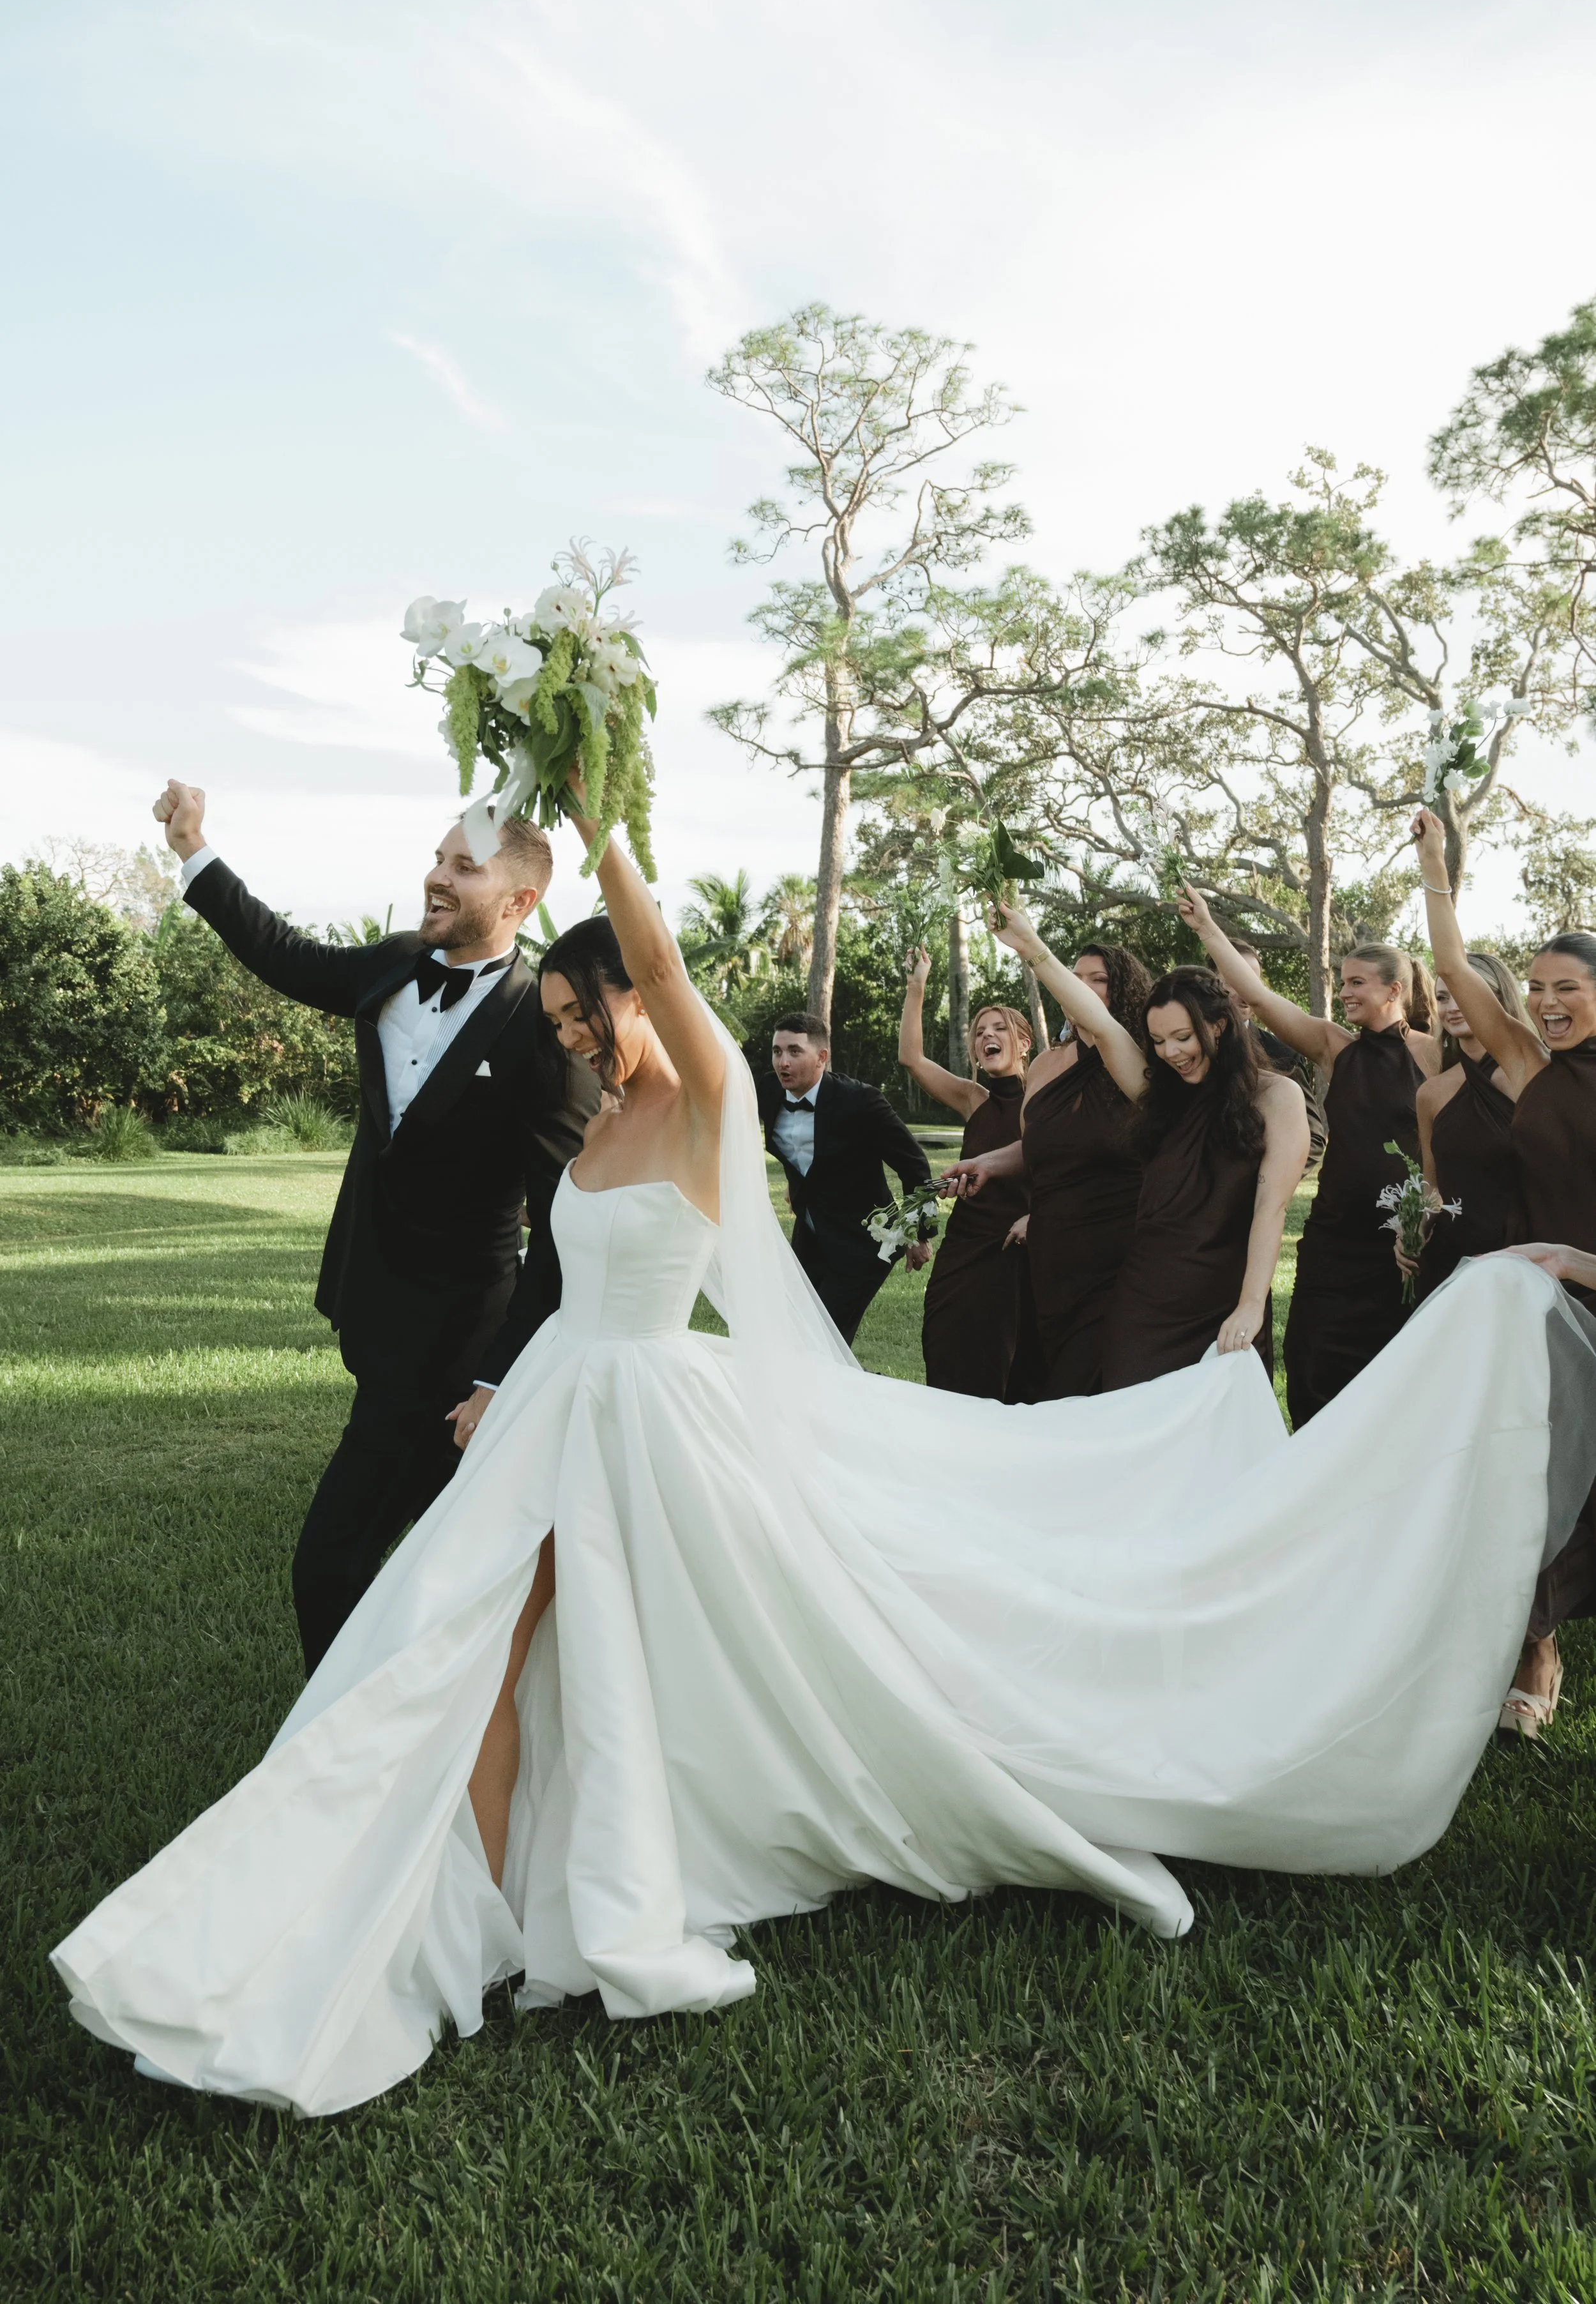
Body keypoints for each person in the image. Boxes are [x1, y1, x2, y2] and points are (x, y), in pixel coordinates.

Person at [52, 797, 1596, 2118]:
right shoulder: (594, 1124)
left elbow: (651, 958)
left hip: (650, 1416)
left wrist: (606, 819)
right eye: (577, 1021)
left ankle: (507, 1889)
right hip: (554, 1409)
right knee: (475, 1637)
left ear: (641, 995)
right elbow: (550, 1272)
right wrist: (488, 1378)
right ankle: (474, 1883)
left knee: (565, 1636)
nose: (582, 1034)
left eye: (597, 1011)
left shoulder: (707, 1096)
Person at [150, 778, 597, 1673]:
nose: (436, 876)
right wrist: (194, 849)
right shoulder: (394, 964)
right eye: (436, 858)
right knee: (445, 1568)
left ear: (519, 901)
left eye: (461, 867)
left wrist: (495, 1378)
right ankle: (430, 1737)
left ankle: (342, 1750)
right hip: (374, 1308)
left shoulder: (542, 1040)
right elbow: (283, 953)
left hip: (456, 1346)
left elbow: (562, 1236)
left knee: (331, 1562)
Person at [1411, 805, 1596, 1737]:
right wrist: (1438, 868)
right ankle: (1535, 1645)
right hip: (1547, 1309)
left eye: (1569, 986)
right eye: (1538, 987)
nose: (1549, 1001)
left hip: (1586, 1279)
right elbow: (1451, 969)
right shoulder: (1529, 1064)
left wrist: (1581, 1258)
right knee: (1539, 1477)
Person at [984, 916, 1309, 1386]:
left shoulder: (1277, 1098)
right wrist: (1031, 947)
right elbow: (1099, 1022)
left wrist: (1251, 1304)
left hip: (1226, 1297)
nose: (1171, 1053)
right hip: (1145, 1298)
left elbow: (1271, 1208)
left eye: (1182, 1037)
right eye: (1157, 1042)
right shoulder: (1158, 1097)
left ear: (1219, 1027)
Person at [1179, 888, 1440, 1428]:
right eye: (1341, 982)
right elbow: (1259, 995)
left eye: (1356, 983)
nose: (1344, 992)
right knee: (1311, 1362)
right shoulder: (1333, 1047)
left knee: (1392, 1383)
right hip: (1333, 1241)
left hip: (1403, 1245)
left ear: (1395, 989)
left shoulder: (1435, 1055)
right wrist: (1207, 928)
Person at [947, 941, 1149, 1398]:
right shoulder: (1044, 1065)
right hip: (1050, 1254)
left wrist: (1026, 940)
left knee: (1086, 1385)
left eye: (1098, 980)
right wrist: (988, 1163)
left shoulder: (1135, 1059)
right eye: (1075, 978)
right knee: (1038, 1384)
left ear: (1125, 991)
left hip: (1115, 1251)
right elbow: (1038, 1147)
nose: (1082, 988)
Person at [897, 952, 1035, 1398]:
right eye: (980, 1032)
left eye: (999, 1029)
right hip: (961, 1257)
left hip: (1017, 1258)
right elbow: (912, 1058)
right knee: (945, 1357)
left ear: (1025, 1044)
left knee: (1003, 1374)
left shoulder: (1045, 1102)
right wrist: (917, 986)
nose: (987, 1036)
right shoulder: (974, 1100)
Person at [756, 1012, 932, 1345]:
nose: (783, 1062)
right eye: (777, 1052)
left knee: (825, 1341)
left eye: (795, 1051)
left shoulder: (861, 1101)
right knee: (793, 1331)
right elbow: (797, 1154)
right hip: (811, 1232)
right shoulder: (769, 1092)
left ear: (822, 1057)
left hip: (864, 1241)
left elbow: (915, 1166)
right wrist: (798, 1187)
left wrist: (917, 1235)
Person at [1398, 951, 1531, 1304]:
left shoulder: (1531, 1079)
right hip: (1451, 1261)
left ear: (1499, 1000)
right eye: (1442, 998)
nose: (1452, 1007)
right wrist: (1413, 1228)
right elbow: (1433, 1187)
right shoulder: (1432, 1094)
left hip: (1526, 1258)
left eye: (1464, 994)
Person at [1226, 941, 1327, 1168]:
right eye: (1235, 980)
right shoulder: (1186, 1051)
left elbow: (1314, 1139)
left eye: (1252, 981)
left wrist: (1266, 1184)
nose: (1246, 990)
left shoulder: (1281, 1054)